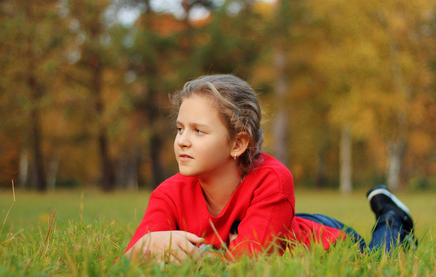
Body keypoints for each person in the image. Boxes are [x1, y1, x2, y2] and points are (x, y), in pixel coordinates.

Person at [124, 74, 417, 264]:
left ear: (237, 144)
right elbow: (125, 263)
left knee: (382, 263)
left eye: (198, 131)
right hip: (278, 221)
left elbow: (247, 267)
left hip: (324, 238)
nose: (182, 141)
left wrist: (193, 258)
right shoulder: (168, 193)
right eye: (179, 129)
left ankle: (392, 216)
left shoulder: (273, 179)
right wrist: (148, 243)